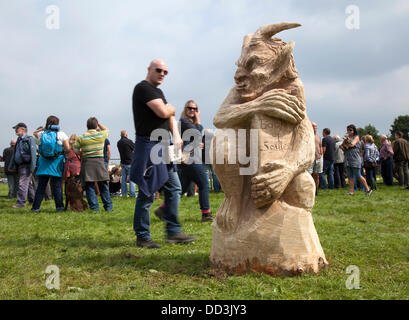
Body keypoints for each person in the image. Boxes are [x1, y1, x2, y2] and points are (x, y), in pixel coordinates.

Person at [130, 58, 195, 248]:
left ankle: (173, 232)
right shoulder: (143, 88)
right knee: (147, 192)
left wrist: (176, 136)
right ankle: (142, 236)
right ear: (149, 69)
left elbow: (171, 117)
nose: (162, 74)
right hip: (149, 145)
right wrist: (171, 108)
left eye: (165, 72)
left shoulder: (158, 92)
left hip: (164, 144)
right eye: (159, 70)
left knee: (174, 188)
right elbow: (162, 112)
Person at [164, 100, 213, 222]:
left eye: (195, 109)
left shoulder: (189, 123)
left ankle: (163, 210)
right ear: (185, 109)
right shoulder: (184, 121)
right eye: (190, 108)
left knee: (180, 188)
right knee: (204, 184)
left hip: (190, 157)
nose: (192, 110)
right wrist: (199, 119)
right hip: (190, 158)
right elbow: (196, 132)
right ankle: (206, 214)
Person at [31, 116, 70, 213]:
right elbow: (68, 148)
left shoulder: (41, 134)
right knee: (57, 186)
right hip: (56, 163)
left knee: (41, 187)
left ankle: (35, 208)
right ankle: (59, 208)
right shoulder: (61, 134)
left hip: (43, 163)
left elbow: (35, 137)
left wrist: (43, 129)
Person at [74, 118, 113, 212]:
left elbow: (75, 150)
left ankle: (94, 208)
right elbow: (107, 130)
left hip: (87, 163)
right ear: (96, 126)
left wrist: (83, 152)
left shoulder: (81, 137)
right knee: (103, 185)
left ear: (87, 126)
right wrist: (99, 123)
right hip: (99, 162)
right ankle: (108, 207)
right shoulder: (101, 135)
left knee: (89, 186)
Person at [9, 123, 37, 208]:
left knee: (22, 184)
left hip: (26, 165)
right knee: (27, 184)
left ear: (23, 129)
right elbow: (15, 154)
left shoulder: (30, 139)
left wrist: (32, 167)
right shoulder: (19, 140)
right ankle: (33, 200)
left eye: (17, 129)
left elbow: (33, 154)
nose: (15, 130)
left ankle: (20, 203)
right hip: (20, 166)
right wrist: (11, 165)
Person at [342, 124, 372, 196]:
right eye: (348, 130)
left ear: (354, 131)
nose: (349, 131)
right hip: (348, 158)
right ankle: (351, 191)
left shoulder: (356, 137)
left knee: (358, 175)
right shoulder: (347, 137)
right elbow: (343, 148)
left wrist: (346, 144)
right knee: (349, 176)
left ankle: (368, 189)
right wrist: (344, 145)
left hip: (355, 159)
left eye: (350, 130)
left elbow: (352, 144)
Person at [117, 130, 136, 197]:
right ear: (126, 135)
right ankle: (132, 194)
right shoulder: (129, 141)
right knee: (132, 180)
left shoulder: (118, 142)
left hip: (123, 162)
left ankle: (124, 194)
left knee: (123, 180)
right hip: (130, 162)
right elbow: (135, 148)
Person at [307, 122, 323, 195]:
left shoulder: (318, 136)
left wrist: (322, 155)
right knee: (309, 175)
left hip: (318, 158)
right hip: (310, 158)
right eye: (313, 126)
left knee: (316, 175)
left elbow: (320, 146)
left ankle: (316, 191)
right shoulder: (307, 135)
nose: (315, 127)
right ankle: (309, 191)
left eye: (316, 126)